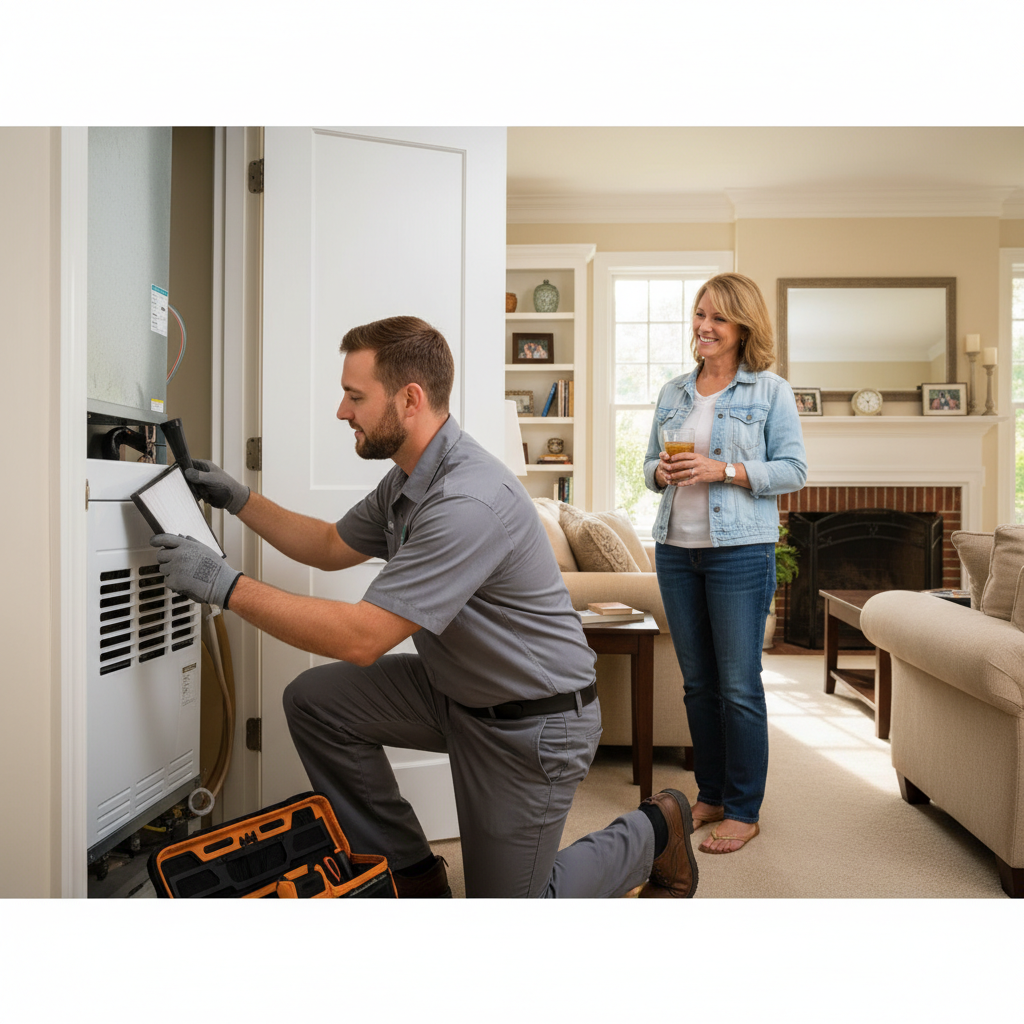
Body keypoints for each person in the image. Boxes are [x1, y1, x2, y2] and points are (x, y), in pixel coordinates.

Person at [151, 315, 699, 898]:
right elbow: (331, 545)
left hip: (534, 722)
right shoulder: (409, 479)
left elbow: (362, 638)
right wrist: (240, 500)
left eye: (354, 396)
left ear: (409, 400)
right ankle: (410, 870)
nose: (342, 411)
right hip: (455, 690)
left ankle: (653, 830)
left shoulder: (467, 499)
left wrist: (226, 586)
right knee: (315, 703)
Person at [644, 274, 807, 855]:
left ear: (743, 327)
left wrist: (726, 470)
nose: (703, 327)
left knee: (738, 685)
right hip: (675, 548)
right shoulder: (673, 392)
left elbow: (793, 470)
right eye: (698, 314)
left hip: (741, 551)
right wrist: (661, 472)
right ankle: (709, 793)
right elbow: (647, 467)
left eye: (717, 318)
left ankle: (743, 808)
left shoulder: (770, 392)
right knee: (697, 684)